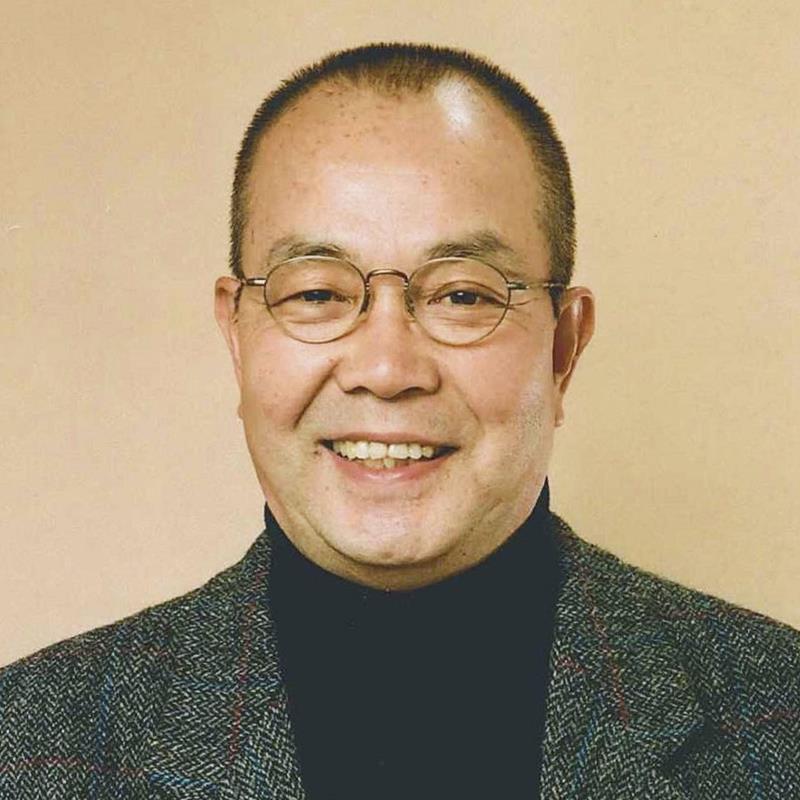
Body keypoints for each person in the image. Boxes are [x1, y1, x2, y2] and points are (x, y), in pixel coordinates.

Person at [1, 42, 798, 800]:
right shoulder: (28, 741)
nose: (385, 370)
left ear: (563, 348)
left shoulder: (777, 716)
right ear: (237, 337)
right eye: (317, 293)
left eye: (463, 295)